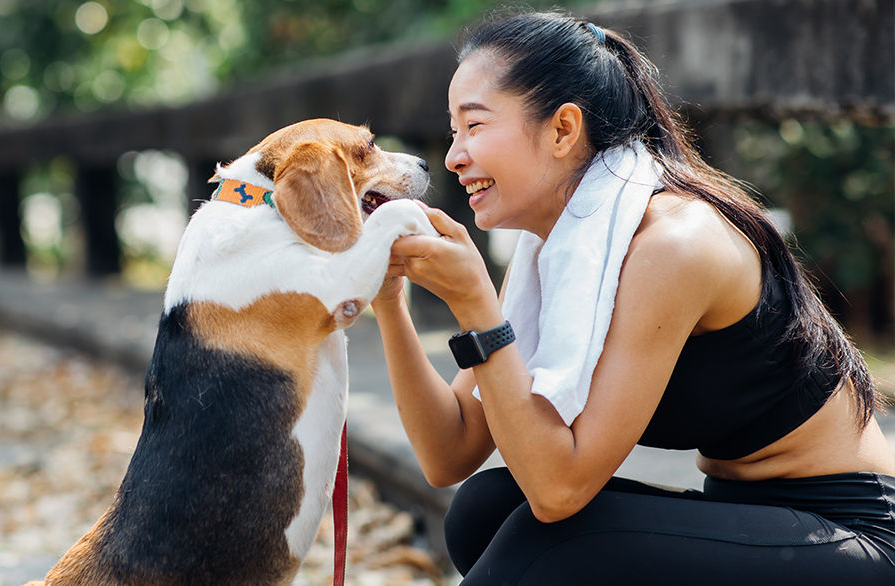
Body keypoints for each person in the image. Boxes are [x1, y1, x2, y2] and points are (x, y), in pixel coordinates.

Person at [373, 10, 895, 585]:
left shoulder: (672, 243)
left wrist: (475, 304)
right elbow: (449, 455)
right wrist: (389, 299)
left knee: (550, 542)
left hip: (851, 531)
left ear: (563, 130)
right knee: (485, 506)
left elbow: (559, 490)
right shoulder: (559, 245)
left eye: (474, 126)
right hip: (748, 512)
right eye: (452, 132)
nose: (453, 157)